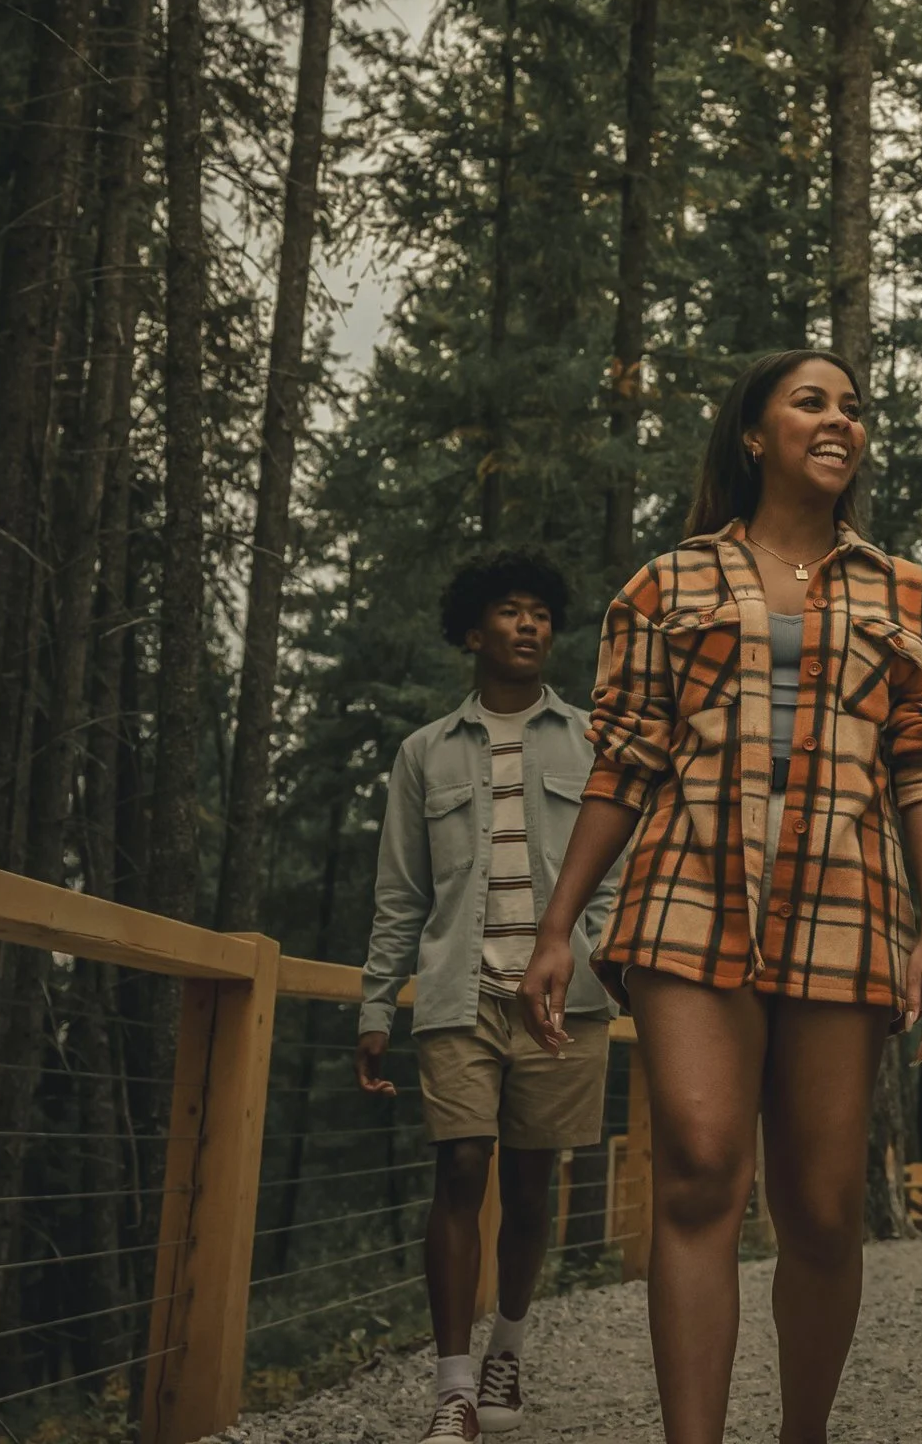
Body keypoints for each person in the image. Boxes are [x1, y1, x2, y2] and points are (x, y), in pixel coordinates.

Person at [518, 350, 922, 1444]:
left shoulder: (905, 590)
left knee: (818, 1206)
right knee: (698, 1170)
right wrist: (555, 924)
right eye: (811, 401)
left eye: (854, 407)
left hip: (847, 901)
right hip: (686, 891)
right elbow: (624, 761)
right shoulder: (665, 583)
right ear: (753, 436)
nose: (839, 420)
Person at [357, 550, 619, 1444]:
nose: (530, 625)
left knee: (535, 1179)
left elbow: (616, 873)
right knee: (462, 1168)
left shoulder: (589, 740)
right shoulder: (423, 753)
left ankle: (508, 1342)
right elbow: (401, 893)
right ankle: (454, 1386)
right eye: (511, 611)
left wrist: (604, 956)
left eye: (542, 613)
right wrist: (372, 1005)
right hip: (458, 994)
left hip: (564, 999)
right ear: (474, 631)